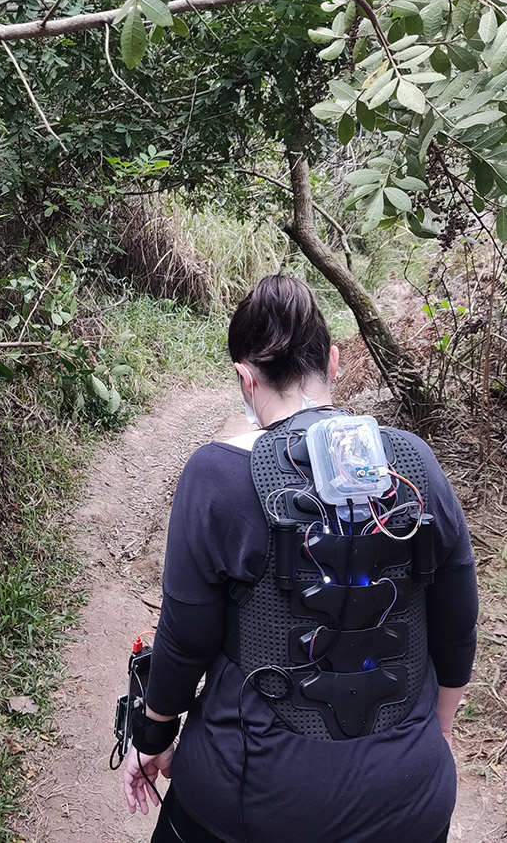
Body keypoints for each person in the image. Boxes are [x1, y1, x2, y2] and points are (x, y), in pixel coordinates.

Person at [120, 275, 478, 843]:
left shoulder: (215, 477)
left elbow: (185, 640)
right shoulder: (416, 465)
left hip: (250, 801)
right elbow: (458, 627)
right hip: (411, 800)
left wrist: (152, 735)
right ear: (334, 363)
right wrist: (433, 735)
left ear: (245, 377)